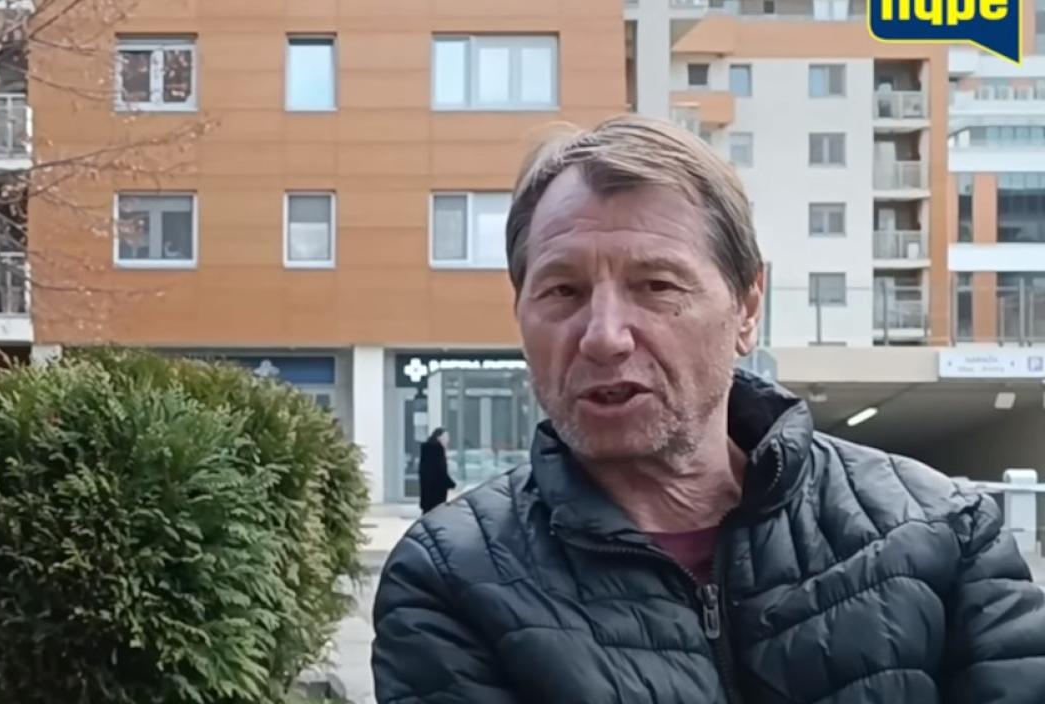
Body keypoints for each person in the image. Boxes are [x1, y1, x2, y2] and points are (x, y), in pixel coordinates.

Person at [372, 115, 1045, 702]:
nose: (603, 336)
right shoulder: (451, 580)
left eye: (656, 285)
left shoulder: (943, 533)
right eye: (562, 291)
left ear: (747, 308)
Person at [417, 427, 455, 514]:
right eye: (446, 437)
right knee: (436, 513)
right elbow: (441, 471)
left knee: (428, 513)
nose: (448, 440)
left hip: (428, 490)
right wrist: (451, 484)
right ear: (438, 437)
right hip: (437, 491)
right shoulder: (438, 450)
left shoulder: (426, 450)